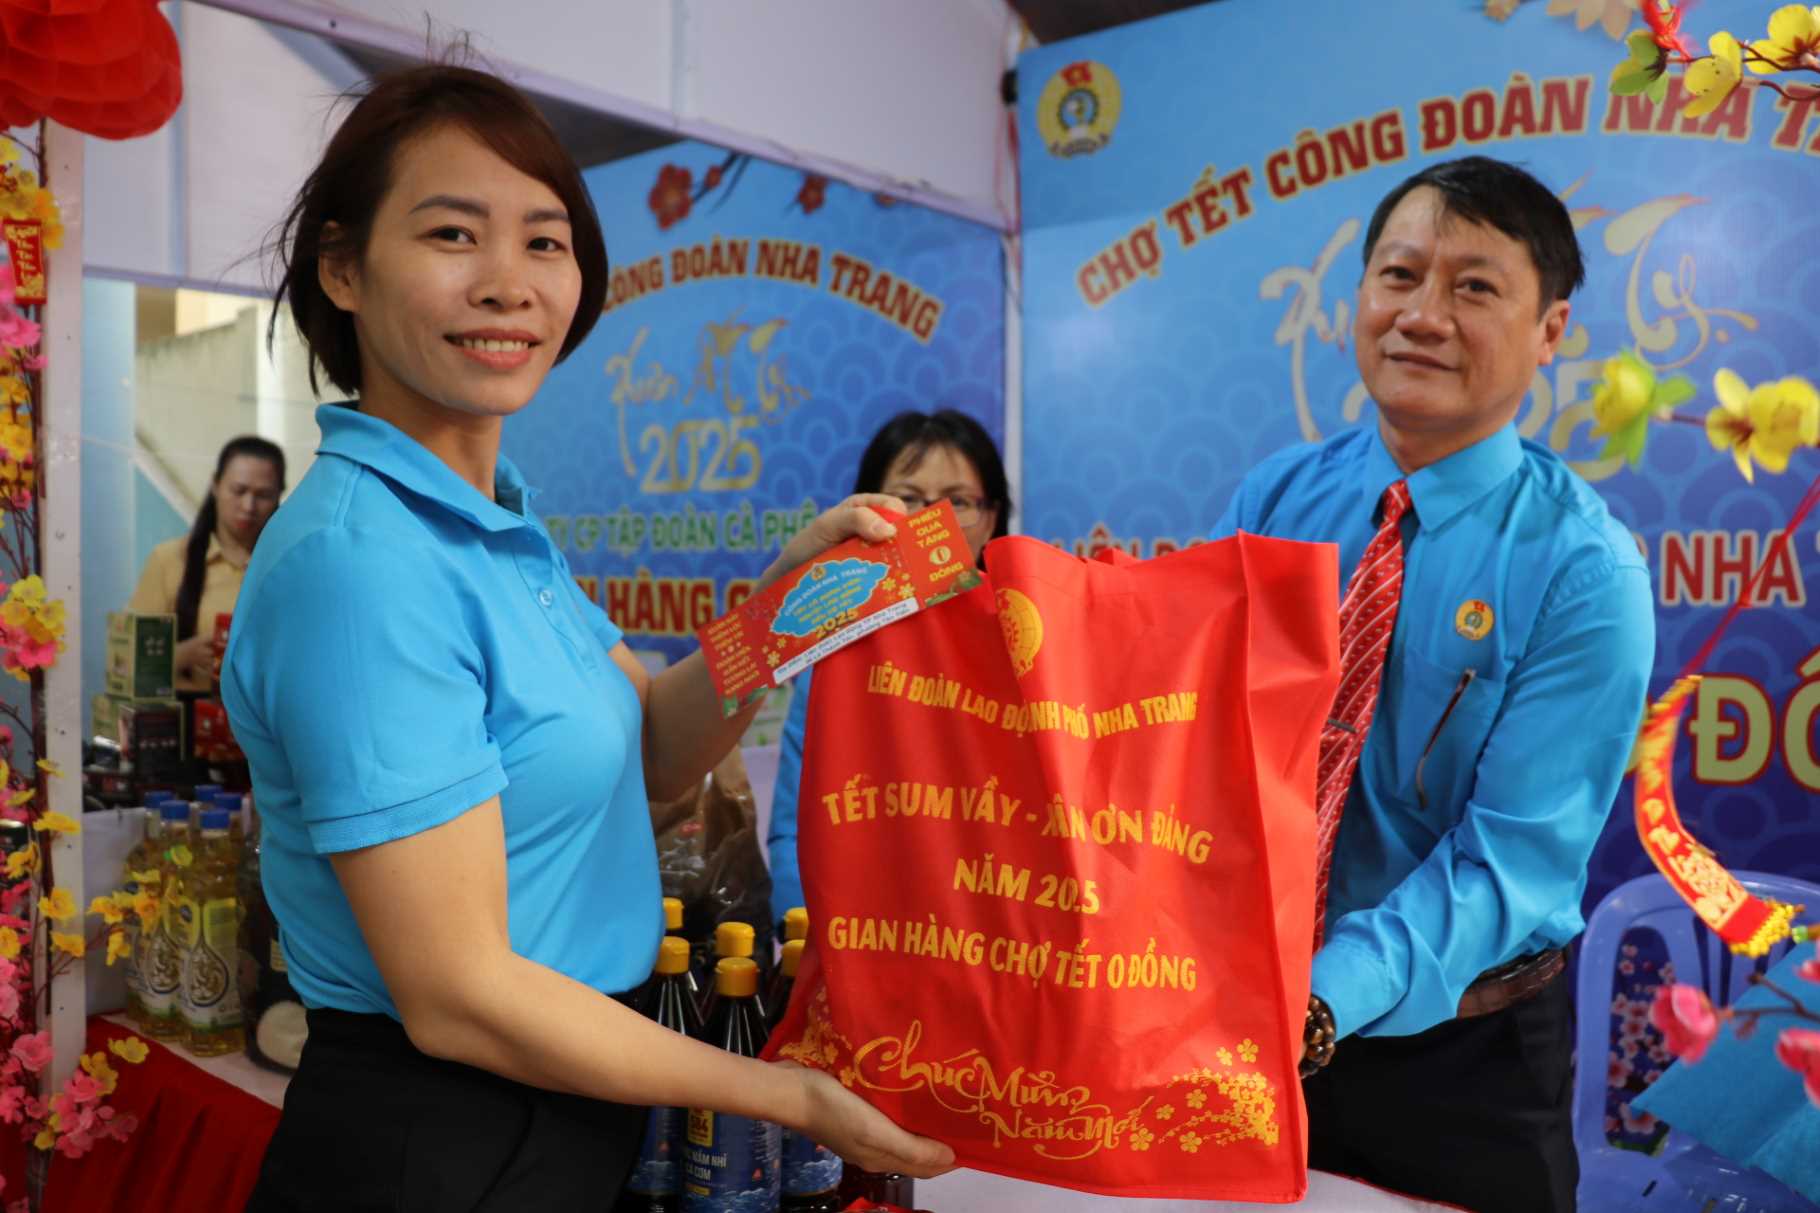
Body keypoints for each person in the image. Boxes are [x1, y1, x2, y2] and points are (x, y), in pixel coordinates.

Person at [222, 63, 951, 1211]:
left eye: (545, 241)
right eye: (454, 234)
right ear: (343, 268)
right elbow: (457, 992)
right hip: (438, 1135)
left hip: (553, 1109)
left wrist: (783, 599)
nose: (508, 284)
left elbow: (655, 754)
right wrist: (790, 1094)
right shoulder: (358, 565)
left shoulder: (494, 519)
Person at [1210, 156, 1654, 1213]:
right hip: (1240, 1026)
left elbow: (1506, 858)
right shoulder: (1271, 495)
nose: (1421, 314)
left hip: (1457, 1065)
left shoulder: (1582, 570)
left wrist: (1319, 998)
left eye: (1472, 286)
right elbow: (1199, 746)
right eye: (1397, 275)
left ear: (1549, 330)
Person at [765, 409, 1010, 925]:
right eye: (908, 499)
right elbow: (794, 833)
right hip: (859, 935)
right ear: (865, 512)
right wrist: (808, 940)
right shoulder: (832, 656)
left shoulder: (1025, 649)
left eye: (958, 501)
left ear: (990, 519)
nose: (932, 520)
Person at [127, 435, 284, 691]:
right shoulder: (169, 560)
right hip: (185, 721)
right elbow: (124, 660)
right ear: (215, 485)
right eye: (238, 490)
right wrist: (183, 655)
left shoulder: (286, 567)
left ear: (279, 496)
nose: (248, 505)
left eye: (263, 495)